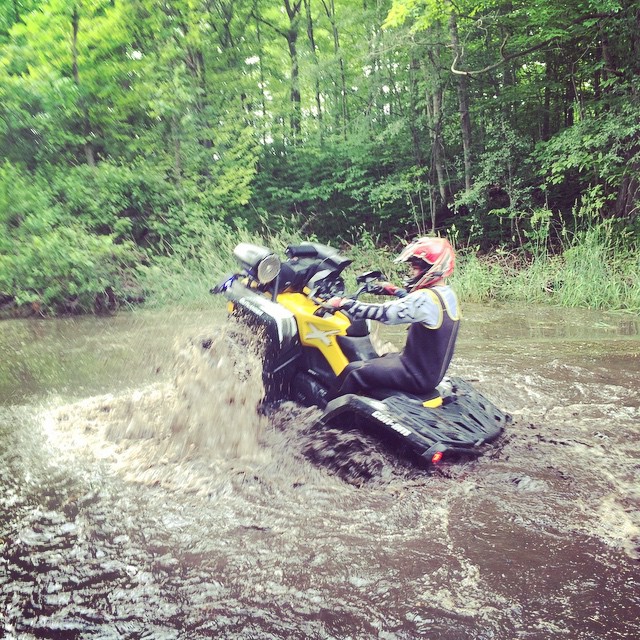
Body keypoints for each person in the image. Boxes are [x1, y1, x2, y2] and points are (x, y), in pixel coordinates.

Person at [327, 236, 459, 399]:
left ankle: (322, 417)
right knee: (385, 356)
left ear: (433, 268)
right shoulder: (447, 294)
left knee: (353, 371)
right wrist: (394, 290)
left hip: (414, 375)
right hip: (430, 375)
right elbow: (416, 306)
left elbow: (385, 314)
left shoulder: (426, 298)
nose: (412, 271)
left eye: (415, 266)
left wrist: (344, 303)